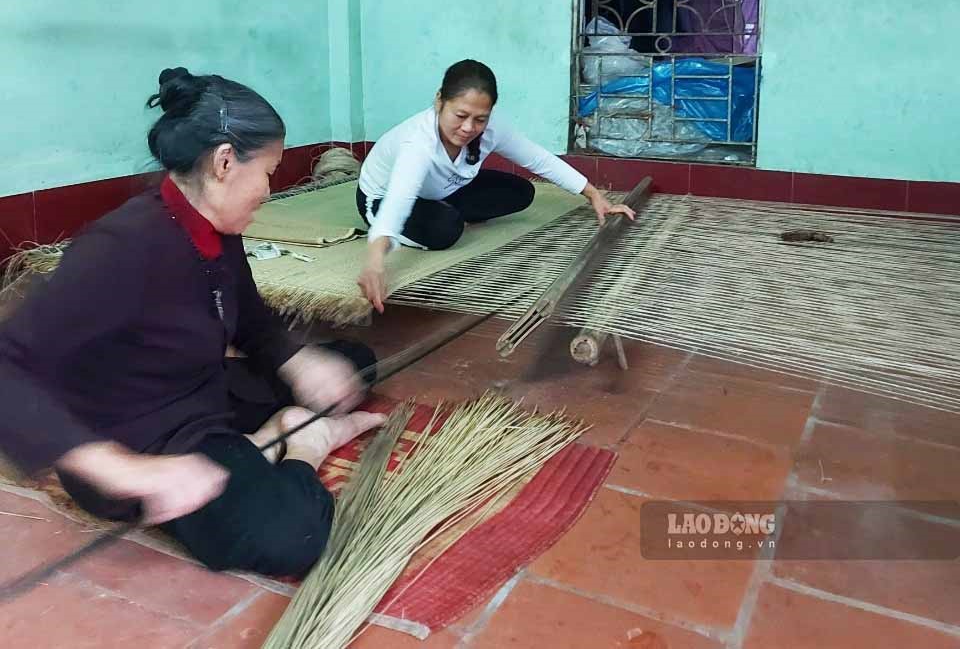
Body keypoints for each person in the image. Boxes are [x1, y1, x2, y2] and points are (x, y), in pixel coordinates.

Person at [0, 67, 386, 577]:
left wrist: (298, 362)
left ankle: (265, 438)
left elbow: (248, 315)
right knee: (295, 534)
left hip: (199, 391)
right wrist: (122, 469)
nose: (269, 190)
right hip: (144, 442)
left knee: (352, 364)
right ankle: (303, 444)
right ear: (225, 162)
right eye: (269, 172)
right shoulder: (121, 247)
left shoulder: (213, 229)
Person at [355, 59, 636, 312]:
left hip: (443, 189)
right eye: (460, 115)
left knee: (521, 191)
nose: (468, 128)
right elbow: (399, 200)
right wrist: (376, 262)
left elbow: (538, 158)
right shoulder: (417, 143)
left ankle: (443, 209)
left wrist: (593, 195)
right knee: (445, 229)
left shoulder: (490, 129)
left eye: (480, 119)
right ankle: (439, 215)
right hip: (381, 199)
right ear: (440, 101)